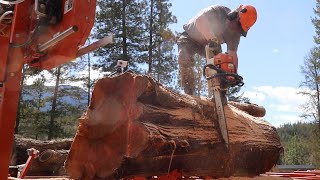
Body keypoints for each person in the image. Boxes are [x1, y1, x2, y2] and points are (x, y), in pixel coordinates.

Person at [177, 4, 257, 95]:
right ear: (234, 15)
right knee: (184, 57)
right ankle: (189, 92)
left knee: (221, 65)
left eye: (240, 29)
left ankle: (219, 95)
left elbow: (232, 54)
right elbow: (200, 21)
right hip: (190, 36)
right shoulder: (219, 11)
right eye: (238, 25)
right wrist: (212, 39)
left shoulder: (235, 34)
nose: (237, 29)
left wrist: (232, 73)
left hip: (211, 44)